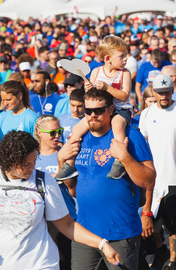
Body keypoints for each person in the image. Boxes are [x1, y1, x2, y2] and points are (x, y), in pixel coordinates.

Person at [57, 88, 156, 270]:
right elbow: (72, 189)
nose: (92, 115)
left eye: (98, 110)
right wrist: (61, 160)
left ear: (111, 110)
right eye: (88, 111)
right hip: (85, 233)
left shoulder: (131, 136)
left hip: (121, 233)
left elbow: (149, 181)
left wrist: (125, 158)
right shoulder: (79, 139)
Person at [0, 130, 120, 270]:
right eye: (26, 164)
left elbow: (67, 225)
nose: (32, 167)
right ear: (9, 161)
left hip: (41, 265)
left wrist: (102, 244)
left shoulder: (43, 181)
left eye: (35, 161)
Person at [57, 35, 132, 181]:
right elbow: (90, 96)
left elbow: (124, 96)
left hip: (120, 109)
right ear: (108, 58)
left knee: (117, 125)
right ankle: (70, 163)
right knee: (77, 129)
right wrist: (88, 89)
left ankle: (119, 162)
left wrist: (107, 88)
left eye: (125, 56)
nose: (125, 59)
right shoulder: (97, 72)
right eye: (121, 56)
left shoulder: (125, 73)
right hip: (99, 109)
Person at [139, 74, 176, 270]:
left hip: (173, 177)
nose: (164, 96)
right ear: (153, 92)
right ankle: (159, 253)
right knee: (150, 223)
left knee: (173, 226)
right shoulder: (147, 114)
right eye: (160, 92)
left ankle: (172, 260)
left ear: (173, 90)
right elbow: (142, 142)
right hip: (152, 179)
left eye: (167, 92)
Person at [34, 114, 77, 270]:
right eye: (52, 132)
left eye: (59, 131)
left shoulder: (66, 153)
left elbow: (72, 187)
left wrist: (58, 174)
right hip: (41, 223)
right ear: (40, 133)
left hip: (65, 218)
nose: (57, 136)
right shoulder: (33, 157)